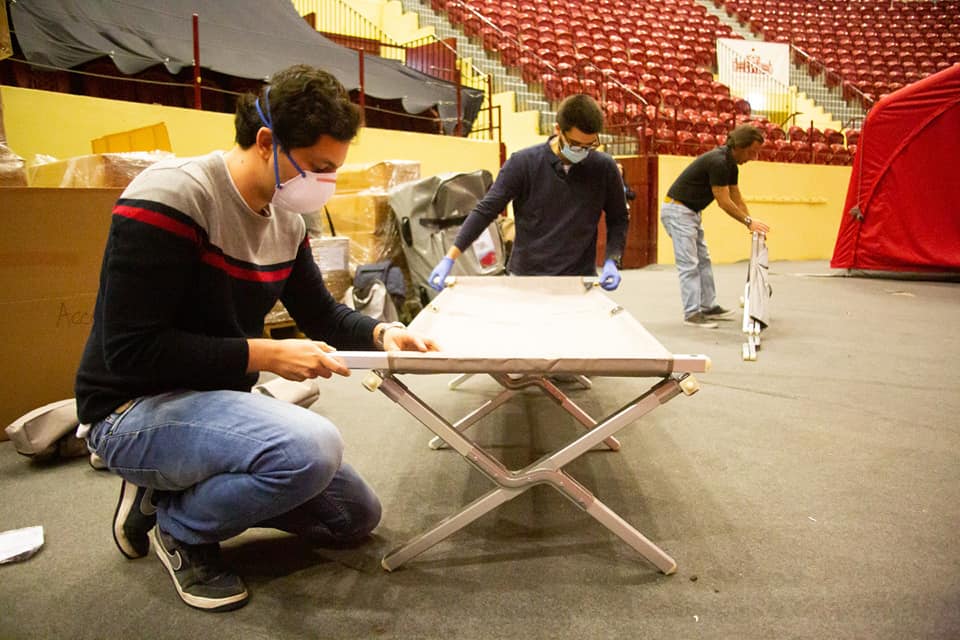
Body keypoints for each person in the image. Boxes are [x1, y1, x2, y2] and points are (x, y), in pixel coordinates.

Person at [74, 64, 437, 612]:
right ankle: (181, 527)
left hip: (212, 402)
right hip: (129, 407)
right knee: (311, 448)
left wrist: (383, 330)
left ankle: (165, 489)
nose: (326, 184)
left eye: (334, 171)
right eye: (318, 168)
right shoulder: (173, 196)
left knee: (353, 516)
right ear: (267, 142)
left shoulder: (287, 221)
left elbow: (320, 312)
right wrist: (264, 353)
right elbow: (130, 348)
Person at [427, 94, 629, 291]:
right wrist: (450, 257)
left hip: (577, 281)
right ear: (558, 130)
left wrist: (612, 259)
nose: (582, 152)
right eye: (575, 145)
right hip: (526, 279)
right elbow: (486, 211)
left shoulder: (604, 168)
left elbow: (618, 218)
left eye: (590, 146)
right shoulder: (523, 163)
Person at [660, 124, 771, 329]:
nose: (753, 157)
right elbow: (724, 201)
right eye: (751, 152)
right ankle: (692, 313)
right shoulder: (718, 162)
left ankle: (708, 306)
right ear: (739, 146)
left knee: (703, 260)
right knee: (690, 263)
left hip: (690, 212)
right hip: (677, 211)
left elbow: (736, 195)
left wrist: (750, 223)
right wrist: (748, 222)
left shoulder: (730, 165)